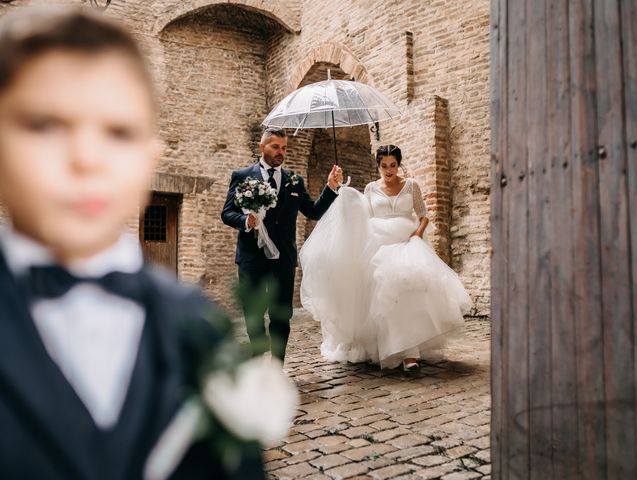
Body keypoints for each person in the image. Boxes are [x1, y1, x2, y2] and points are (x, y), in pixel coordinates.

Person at [0, 7, 264, 479]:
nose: (86, 158)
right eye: (45, 126)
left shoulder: (200, 326)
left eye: (118, 132)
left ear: (148, 159)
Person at [300, 144, 472, 370]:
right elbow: (364, 217)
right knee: (384, 297)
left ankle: (411, 350)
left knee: (410, 292)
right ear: (378, 166)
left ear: (398, 165)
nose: (389, 170)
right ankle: (394, 349)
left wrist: (418, 234)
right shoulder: (371, 188)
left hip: (407, 242)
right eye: (384, 166)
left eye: (393, 165)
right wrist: (343, 193)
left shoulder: (411, 186)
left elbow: (423, 215)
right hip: (379, 246)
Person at [221, 127, 343, 360]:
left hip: (283, 259)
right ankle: (258, 361)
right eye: (275, 146)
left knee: (281, 314)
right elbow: (227, 213)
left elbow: (313, 212)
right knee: (253, 314)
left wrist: (331, 187)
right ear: (262, 147)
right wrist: (245, 220)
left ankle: (278, 367)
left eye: (284, 148)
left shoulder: (294, 181)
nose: (281, 152)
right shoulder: (242, 176)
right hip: (251, 258)